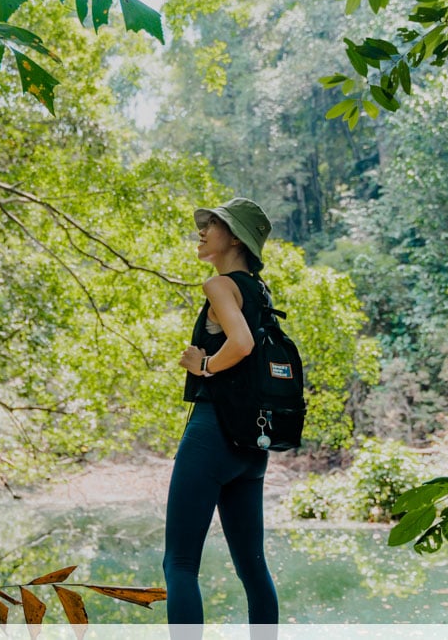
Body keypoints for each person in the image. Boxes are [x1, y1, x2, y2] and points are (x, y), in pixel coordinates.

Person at [163, 197, 279, 632]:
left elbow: (242, 343)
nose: (202, 230)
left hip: (212, 434)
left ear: (234, 239)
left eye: (212, 224)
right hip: (252, 442)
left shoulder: (219, 285)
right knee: (253, 568)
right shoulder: (261, 291)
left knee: (179, 563)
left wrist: (205, 365)